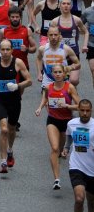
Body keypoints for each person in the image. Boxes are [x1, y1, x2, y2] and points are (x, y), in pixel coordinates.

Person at [0, 39, 32, 174]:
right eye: (3, 49)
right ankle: (3, 161)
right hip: (0, 100)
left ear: (12, 50)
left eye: (7, 49)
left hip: (14, 100)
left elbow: (29, 81)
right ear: (0, 50)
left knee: (11, 129)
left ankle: (10, 150)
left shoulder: (18, 62)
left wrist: (18, 85)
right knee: (4, 129)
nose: (5, 52)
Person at [35, 62, 80, 190]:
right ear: (52, 74)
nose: (58, 74)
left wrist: (68, 106)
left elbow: (80, 105)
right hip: (53, 120)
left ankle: (62, 153)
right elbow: (45, 99)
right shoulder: (48, 87)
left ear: (64, 73)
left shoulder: (69, 87)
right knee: (54, 148)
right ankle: (56, 179)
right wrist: (39, 108)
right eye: (55, 72)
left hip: (66, 122)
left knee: (60, 150)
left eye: (60, 72)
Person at [64, 98, 94, 212]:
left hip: (92, 168)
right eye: (82, 110)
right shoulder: (71, 123)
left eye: (87, 111)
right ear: (78, 110)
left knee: (91, 200)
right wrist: (66, 148)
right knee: (79, 198)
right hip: (77, 166)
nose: (84, 113)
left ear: (91, 111)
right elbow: (69, 137)